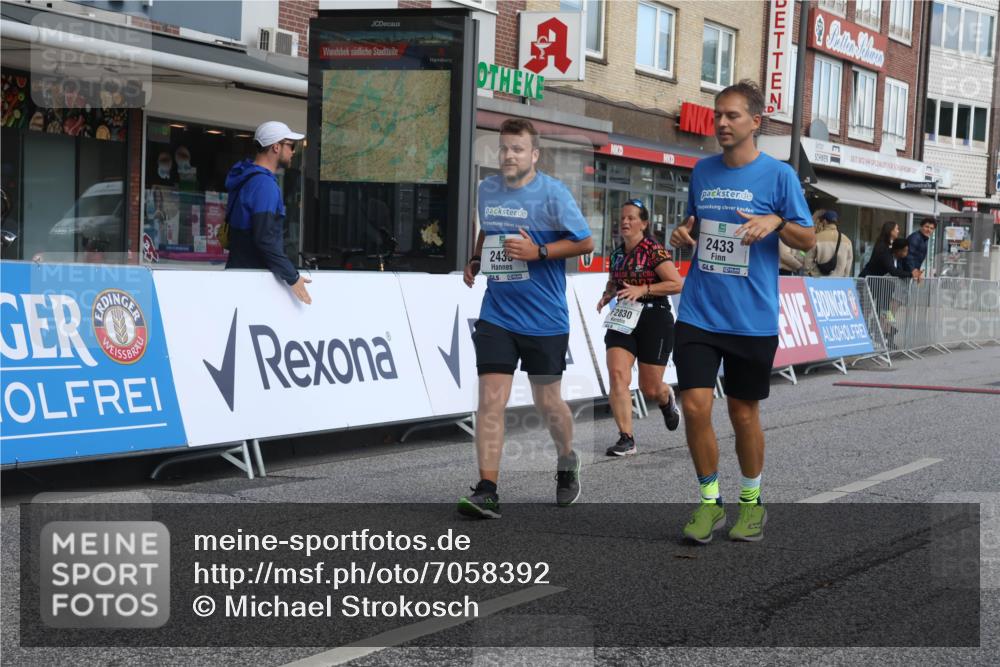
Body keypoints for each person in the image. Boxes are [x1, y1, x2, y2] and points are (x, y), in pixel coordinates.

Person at [669, 80, 815, 543]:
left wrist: (777, 221)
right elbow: (693, 226)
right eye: (718, 115)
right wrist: (681, 236)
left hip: (751, 317)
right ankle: (710, 503)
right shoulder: (703, 171)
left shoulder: (779, 176)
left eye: (732, 116)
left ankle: (751, 503)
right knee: (695, 406)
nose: (722, 123)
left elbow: (808, 240)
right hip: (698, 311)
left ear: (756, 122)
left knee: (742, 413)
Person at [458, 118, 594, 519]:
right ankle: (488, 489)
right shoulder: (487, 189)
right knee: (490, 402)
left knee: (547, 401)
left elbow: (585, 241)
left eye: (517, 149)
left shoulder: (552, 193)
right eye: (503, 148)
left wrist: (540, 253)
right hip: (497, 313)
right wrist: (476, 258)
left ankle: (567, 460)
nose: (508, 155)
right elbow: (489, 230)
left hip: (545, 318)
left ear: (534, 154)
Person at [596, 199, 684, 456]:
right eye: (622, 218)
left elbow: (676, 283)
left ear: (644, 224)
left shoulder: (653, 250)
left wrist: (643, 289)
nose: (624, 222)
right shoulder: (617, 253)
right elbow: (614, 281)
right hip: (623, 318)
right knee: (617, 375)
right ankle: (626, 438)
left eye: (631, 218)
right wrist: (607, 294)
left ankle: (666, 397)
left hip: (654, 317)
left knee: (650, 388)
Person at [225, 121, 311, 305]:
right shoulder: (264, 185)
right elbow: (265, 238)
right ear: (276, 147)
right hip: (255, 281)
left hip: (237, 274)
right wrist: (292, 277)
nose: (293, 151)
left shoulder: (246, 177)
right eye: (291, 145)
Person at [805, 210, 853, 277]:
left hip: (820, 282)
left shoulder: (816, 238)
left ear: (824, 221)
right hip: (839, 283)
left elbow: (808, 261)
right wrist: (845, 276)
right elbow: (848, 263)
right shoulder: (847, 241)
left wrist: (814, 274)